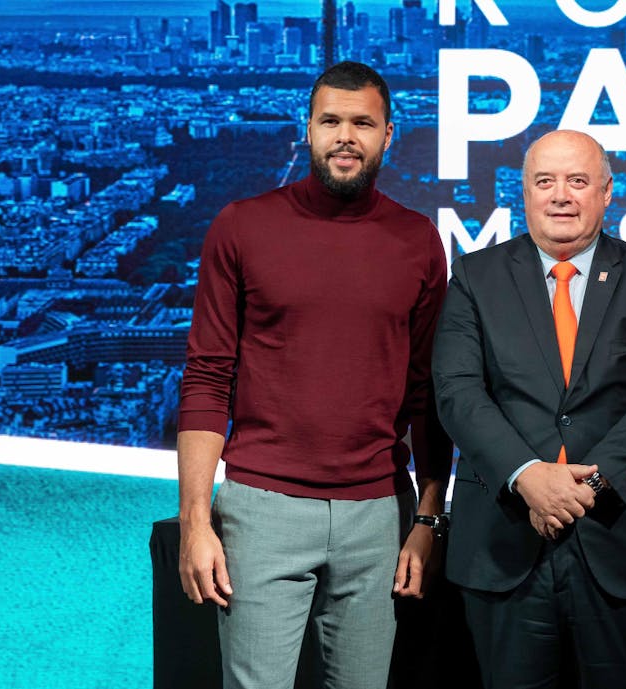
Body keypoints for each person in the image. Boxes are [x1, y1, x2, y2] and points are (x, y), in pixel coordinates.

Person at [176, 61, 452, 689]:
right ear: (307, 130)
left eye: (362, 122)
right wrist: (196, 522)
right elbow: (206, 378)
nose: (345, 136)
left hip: (378, 515)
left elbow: (427, 393)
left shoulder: (418, 240)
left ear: (389, 134)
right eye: (331, 120)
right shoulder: (241, 226)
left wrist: (429, 518)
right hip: (261, 511)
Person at [432, 129, 626, 689]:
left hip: (623, 541)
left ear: (606, 193)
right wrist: (529, 478)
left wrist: (587, 485)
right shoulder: (474, 278)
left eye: (578, 181)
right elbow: (458, 392)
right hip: (506, 545)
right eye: (545, 181)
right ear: (523, 194)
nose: (561, 195)